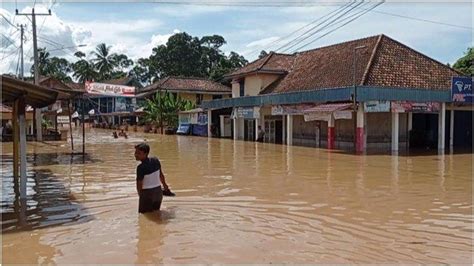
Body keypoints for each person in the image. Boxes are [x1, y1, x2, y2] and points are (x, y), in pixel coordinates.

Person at [134, 143, 174, 213]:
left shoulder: (140, 168)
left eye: (138, 153)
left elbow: (139, 184)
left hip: (147, 194)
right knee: (156, 213)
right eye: (135, 152)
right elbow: (161, 175)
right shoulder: (156, 160)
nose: (135, 155)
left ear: (146, 154)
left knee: (144, 215)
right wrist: (165, 186)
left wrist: (141, 197)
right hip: (158, 193)